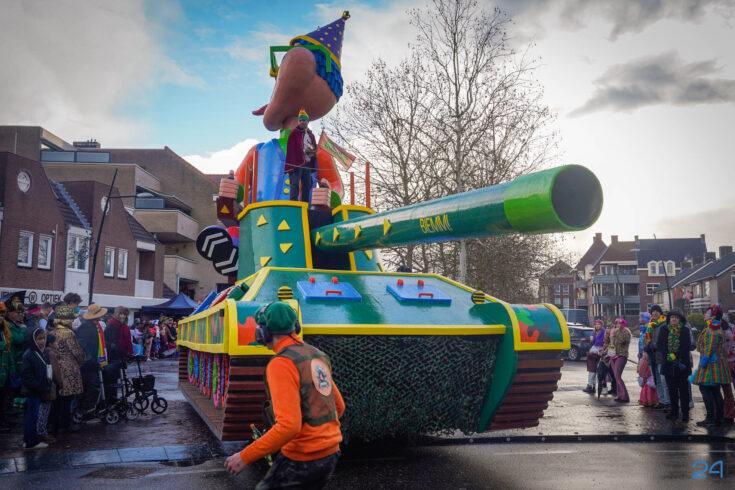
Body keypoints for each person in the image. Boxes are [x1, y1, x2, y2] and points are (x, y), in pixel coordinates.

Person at [224, 302, 345, 489]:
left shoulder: (281, 363)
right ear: (295, 327)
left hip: (302, 458)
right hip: (330, 454)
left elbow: (289, 426)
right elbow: (338, 406)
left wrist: (244, 456)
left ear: (262, 333)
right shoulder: (317, 355)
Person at [693, 304, 733, 426]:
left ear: (713, 316)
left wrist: (704, 361)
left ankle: (711, 417)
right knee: (715, 390)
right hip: (714, 363)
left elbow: (711, 345)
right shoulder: (712, 326)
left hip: (711, 364)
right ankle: (718, 417)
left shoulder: (714, 327)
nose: (705, 315)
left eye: (707, 313)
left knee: (706, 389)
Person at [49, 305, 85, 432]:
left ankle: (54, 423)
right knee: (67, 397)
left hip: (55, 366)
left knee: (57, 397)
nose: (72, 321)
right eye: (71, 319)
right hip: (68, 367)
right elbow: (76, 351)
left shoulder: (52, 332)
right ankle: (64, 424)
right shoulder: (68, 333)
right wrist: (82, 360)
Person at [20, 327, 52, 449]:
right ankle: (31, 442)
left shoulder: (42, 352)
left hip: (39, 389)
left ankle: (29, 439)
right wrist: (38, 385)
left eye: (44, 338)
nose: (42, 341)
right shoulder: (29, 354)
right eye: (39, 339)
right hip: (33, 390)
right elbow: (26, 375)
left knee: (34, 415)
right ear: (33, 340)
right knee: (33, 415)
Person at [659, 310, 692, 421]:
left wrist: (676, 355)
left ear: (680, 320)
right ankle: (674, 411)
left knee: (683, 390)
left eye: (676, 318)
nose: (674, 319)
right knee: (671, 390)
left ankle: (685, 413)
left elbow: (686, 346)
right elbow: (660, 344)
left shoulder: (685, 330)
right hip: (668, 364)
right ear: (669, 319)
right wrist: (667, 355)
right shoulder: (664, 329)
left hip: (681, 364)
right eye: (672, 317)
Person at [76, 304, 108, 412]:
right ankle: (85, 411)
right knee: (91, 387)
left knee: (93, 386)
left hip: (93, 361)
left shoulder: (95, 325)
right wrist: (90, 360)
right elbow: (82, 345)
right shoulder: (87, 327)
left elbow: (100, 342)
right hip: (88, 364)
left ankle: (88, 409)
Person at [285, 108, 318, 203]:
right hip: (297, 163)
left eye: (303, 120)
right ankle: (293, 205)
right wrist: (304, 151)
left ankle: (304, 205)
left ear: (307, 121)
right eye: (300, 120)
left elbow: (314, 147)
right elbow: (292, 148)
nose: (302, 122)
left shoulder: (311, 135)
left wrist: (313, 152)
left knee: (307, 185)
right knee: (295, 184)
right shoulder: (294, 133)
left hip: (307, 164)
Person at [3, 292, 27, 410]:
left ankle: (11, 408)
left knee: (13, 389)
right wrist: (24, 330)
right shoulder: (7, 324)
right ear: (9, 313)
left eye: (22, 312)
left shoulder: (16, 324)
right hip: (10, 362)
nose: (21, 315)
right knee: (8, 390)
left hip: (17, 362)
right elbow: (18, 339)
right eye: (18, 312)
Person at [644, 305, 670, 409]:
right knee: (657, 379)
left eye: (657, 311)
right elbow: (646, 339)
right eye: (653, 312)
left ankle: (668, 401)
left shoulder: (664, 324)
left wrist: (654, 345)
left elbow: (664, 340)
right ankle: (662, 400)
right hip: (651, 356)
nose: (654, 313)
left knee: (664, 379)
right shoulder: (650, 324)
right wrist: (646, 347)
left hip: (661, 355)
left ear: (660, 313)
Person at [0, 301, 16, 432]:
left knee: (3, 397)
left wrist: (11, 367)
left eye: (2, 314)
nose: (1, 317)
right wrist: (2, 345)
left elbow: (8, 350)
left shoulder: (3, 330)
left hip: (4, 371)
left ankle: (3, 419)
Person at [637, 312, 658, 407]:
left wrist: (645, 352)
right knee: (644, 376)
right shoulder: (643, 329)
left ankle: (652, 399)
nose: (640, 320)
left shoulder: (650, 327)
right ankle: (646, 398)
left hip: (648, 356)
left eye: (641, 318)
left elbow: (648, 342)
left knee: (648, 376)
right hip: (643, 355)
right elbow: (641, 343)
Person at [608, 318, 631, 403]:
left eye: (620, 323)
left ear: (623, 324)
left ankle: (625, 397)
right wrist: (611, 338)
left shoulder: (626, 332)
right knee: (616, 376)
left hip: (622, 355)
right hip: (614, 355)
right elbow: (612, 344)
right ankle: (620, 395)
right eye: (617, 323)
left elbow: (623, 341)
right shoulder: (615, 332)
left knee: (617, 376)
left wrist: (616, 333)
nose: (618, 325)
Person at [583, 319, 605, 393]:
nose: (597, 326)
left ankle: (592, 386)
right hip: (594, 349)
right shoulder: (594, 332)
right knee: (593, 370)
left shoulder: (603, 332)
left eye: (599, 324)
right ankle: (592, 386)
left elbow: (604, 342)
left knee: (594, 370)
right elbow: (592, 343)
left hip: (599, 351)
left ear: (601, 325)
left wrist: (600, 350)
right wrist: (589, 341)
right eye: (596, 324)